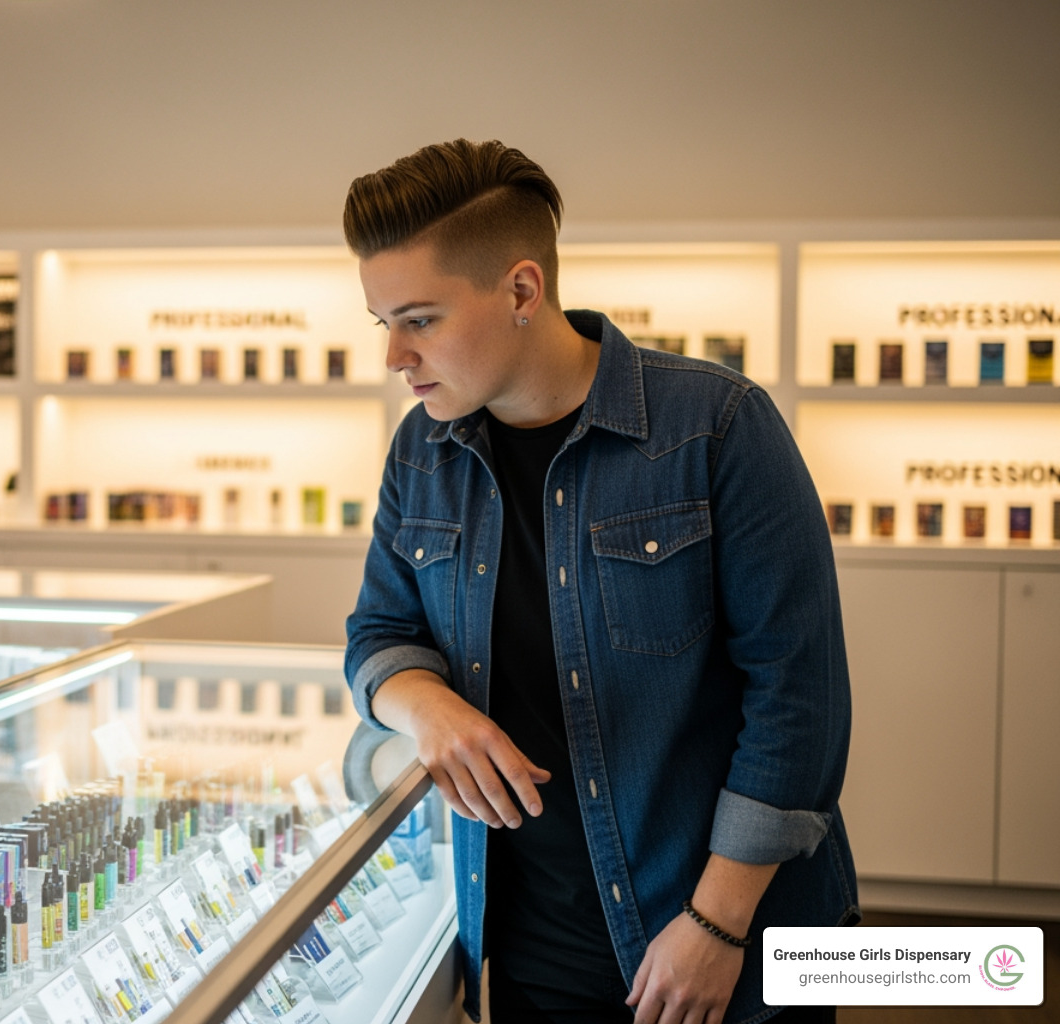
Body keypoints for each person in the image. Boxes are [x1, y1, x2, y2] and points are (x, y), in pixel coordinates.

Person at [342, 139, 858, 1024]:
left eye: (419, 318)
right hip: (531, 949)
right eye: (381, 320)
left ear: (521, 291)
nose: (393, 353)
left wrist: (717, 926)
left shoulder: (717, 425)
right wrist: (425, 705)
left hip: (732, 948)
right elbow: (379, 635)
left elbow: (799, 704)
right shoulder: (422, 450)